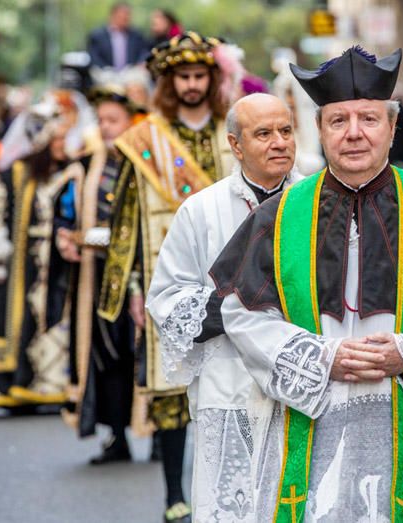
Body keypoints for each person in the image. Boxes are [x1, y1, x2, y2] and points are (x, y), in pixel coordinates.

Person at [206, 46, 403, 522]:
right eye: (337, 120)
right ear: (320, 130)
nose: (353, 133)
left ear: (392, 127)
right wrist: (321, 359)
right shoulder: (281, 215)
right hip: (314, 412)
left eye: (368, 119)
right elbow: (243, 314)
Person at [96, 31, 234, 523]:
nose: (193, 85)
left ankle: (227, 492)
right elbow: (127, 218)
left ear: (212, 80)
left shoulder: (232, 131)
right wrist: (131, 287)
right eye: (184, 77)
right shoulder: (144, 140)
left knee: (232, 385)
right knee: (171, 391)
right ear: (170, 83)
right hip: (167, 278)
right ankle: (175, 495)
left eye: (200, 76)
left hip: (230, 278)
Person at [147, 93, 301, 523]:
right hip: (231, 385)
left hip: (305, 386)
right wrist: (239, 304)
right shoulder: (201, 210)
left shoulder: (318, 202)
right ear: (235, 145)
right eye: (264, 134)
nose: (279, 143)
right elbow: (167, 299)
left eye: (286, 131)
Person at [0, 93, 88, 409]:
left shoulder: (70, 171)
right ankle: (9, 383)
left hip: (57, 263)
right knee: (13, 317)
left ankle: (48, 380)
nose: (63, 144)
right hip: (19, 265)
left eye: (65, 138)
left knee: (52, 317)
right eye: (57, 139)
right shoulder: (13, 175)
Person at [56, 86, 146, 463]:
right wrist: (66, 238)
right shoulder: (84, 166)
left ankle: (159, 432)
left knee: (144, 355)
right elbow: (65, 215)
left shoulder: (146, 164)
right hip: (97, 282)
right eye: (102, 121)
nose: (107, 128)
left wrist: (90, 237)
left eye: (115, 120)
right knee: (105, 357)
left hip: (141, 278)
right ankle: (117, 436)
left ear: (130, 123)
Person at [87, 2, 149, 70]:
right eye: (123, 15)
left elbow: (143, 52)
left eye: (128, 15)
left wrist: (139, 63)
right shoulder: (97, 35)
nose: (126, 18)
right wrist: (107, 70)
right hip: (105, 73)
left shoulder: (136, 35)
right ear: (113, 15)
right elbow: (94, 58)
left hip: (131, 73)